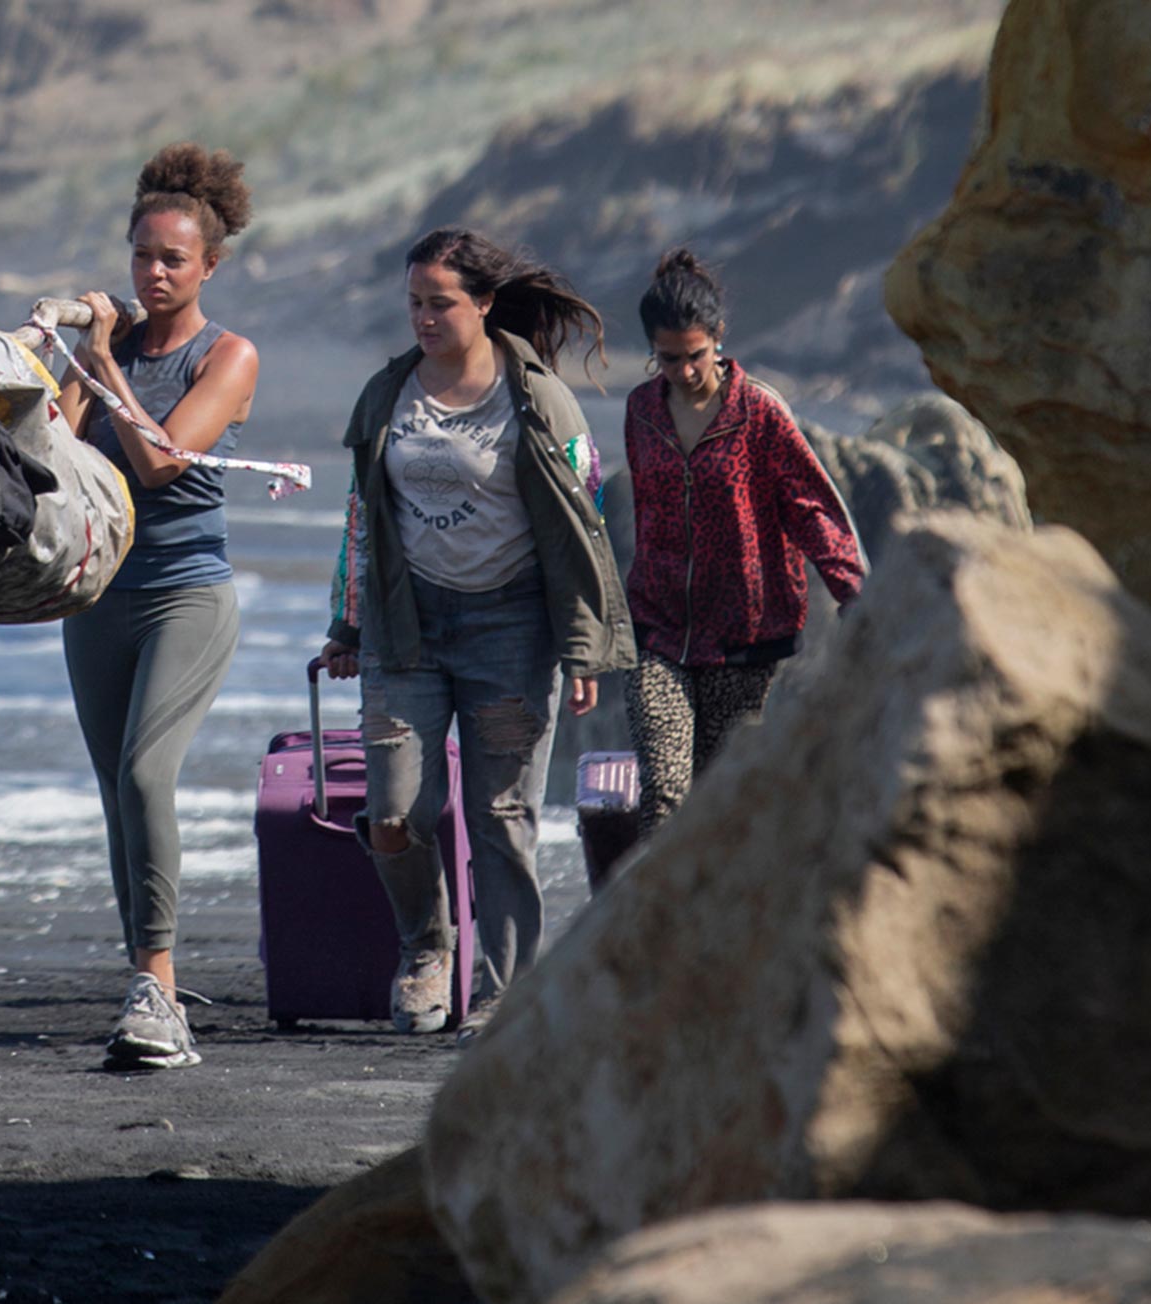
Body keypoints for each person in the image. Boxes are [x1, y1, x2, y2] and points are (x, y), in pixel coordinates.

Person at [321, 226, 633, 1042]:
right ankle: (427, 947)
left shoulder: (536, 399)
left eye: (440, 303)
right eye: (415, 304)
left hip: (511, 630)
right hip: (405, 627)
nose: (423, 318)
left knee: (503, 818)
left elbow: (583, 521)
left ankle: (504, 994)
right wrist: (347, 624)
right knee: (394, 813)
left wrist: (585, 645)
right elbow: (362, 518)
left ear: (485, 304)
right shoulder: (387, 394)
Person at [57, 143, 260, 1071]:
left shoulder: (230, 355)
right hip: (100, 593)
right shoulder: (111, 347)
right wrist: (59, 356)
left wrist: (103, 359)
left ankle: (163, 994)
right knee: (115, 797)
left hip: (187, 592)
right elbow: (54, 448)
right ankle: (147, 986)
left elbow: (163, 459)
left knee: (145, 775)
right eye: (142, 256)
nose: (154, 273)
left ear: (209, 265)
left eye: (173, 259)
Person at [622, 249, 865, 837]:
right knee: (663, 793)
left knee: (719, 800)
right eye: (667, 358)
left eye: (695, 356)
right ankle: (667, 925)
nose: (682, 371)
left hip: (747, 635)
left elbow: (812, 508)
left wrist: (858, 595)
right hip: (658, 630)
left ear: (720, 339)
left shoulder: (759, 412)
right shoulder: (640, 411)